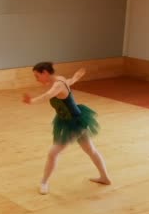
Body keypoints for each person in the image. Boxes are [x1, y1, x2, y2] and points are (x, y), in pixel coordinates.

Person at [22, 62, 111, 195]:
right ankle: (105, 178)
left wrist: (32, 101)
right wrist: (76, 76)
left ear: (45, 72)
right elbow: (69, 81)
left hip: (74, 124)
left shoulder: (57, 84)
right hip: (72, 120)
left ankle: (44, 182)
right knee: (90, 150)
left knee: (53, 153)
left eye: (37, 76)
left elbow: (48, 95)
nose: (37, 79)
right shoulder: (60, 80)